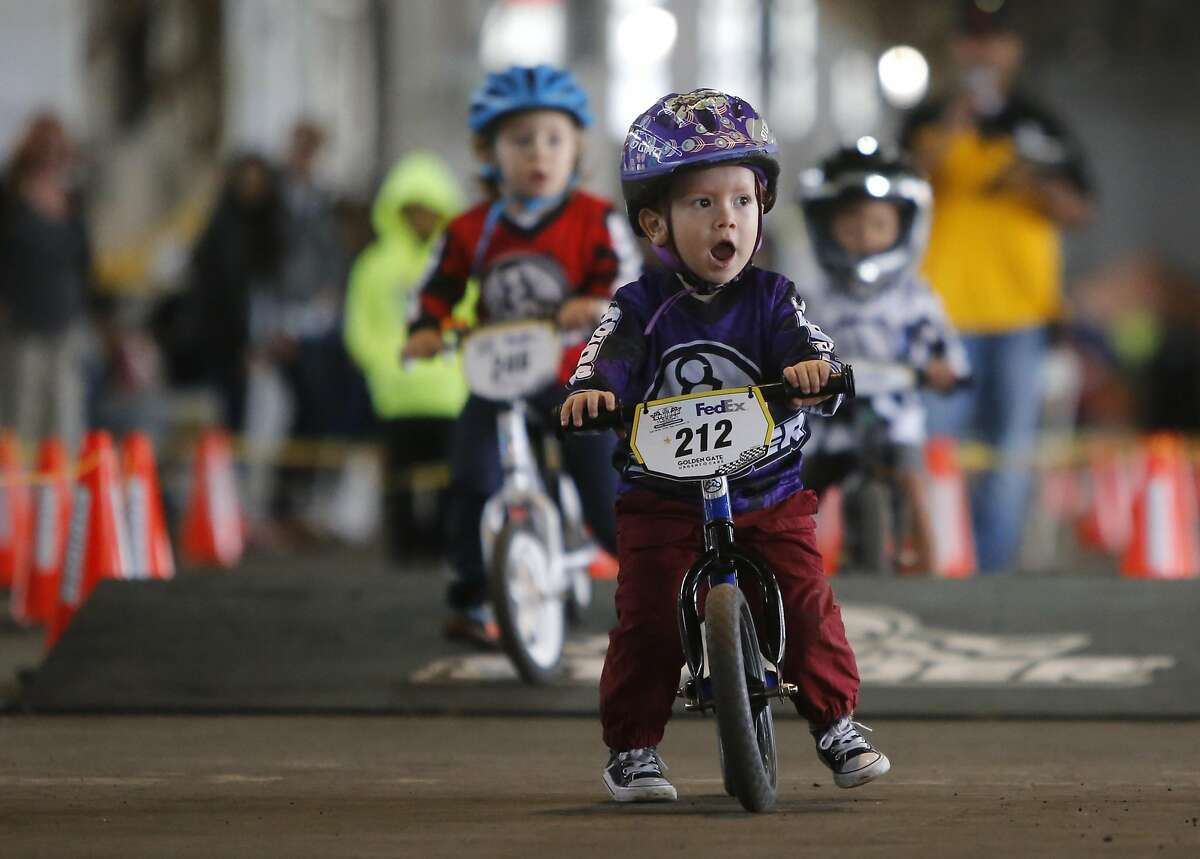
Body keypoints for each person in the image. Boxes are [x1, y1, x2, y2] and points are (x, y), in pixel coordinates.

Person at [560, 89, 889, 802]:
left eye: (741, 200)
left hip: (766, 491)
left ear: (762, 212)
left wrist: (815, 374)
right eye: (701, 204)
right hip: (662, 498)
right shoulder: (640, 305)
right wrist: (594, 391)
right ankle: (634, 749)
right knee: (646, 618)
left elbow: (811, 346)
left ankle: (836, 723)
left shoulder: (773, 297)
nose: (726, 218)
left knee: (805, 601)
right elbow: (605, 356)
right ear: (656, 222)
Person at [403, 65, 641, 646]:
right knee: (470, 478)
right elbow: (436, 286)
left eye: (554, 139)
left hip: (574, 382)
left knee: (605, 489)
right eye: (520, 140)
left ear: (576, 147)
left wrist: (593, 303)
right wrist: (426, 328)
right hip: (497, 381)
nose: (539, 153)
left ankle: (651, 589)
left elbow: (626, 280)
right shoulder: (470, 229)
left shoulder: (594, 218)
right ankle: (469, 594)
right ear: (488, 151)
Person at [901, 0, 1093, 571]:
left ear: (1015, 48)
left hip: (1023, 318)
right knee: (937, 453)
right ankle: (935, 568)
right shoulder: (928, 119)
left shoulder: (1042, 123)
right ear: (956, 49)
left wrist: (1030, 178)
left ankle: (992, 580)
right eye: (972, 39)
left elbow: (1080, 208)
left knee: (1010, 461)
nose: (984, 51)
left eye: (996, 39)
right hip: (940, 317)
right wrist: (951, 129)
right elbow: (899, 192)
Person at [797, 142, 970, 572]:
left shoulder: (915, 296)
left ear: (905, 226)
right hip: (829, 416)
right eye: (850, 224)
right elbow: (792, 341)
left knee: (912, 478)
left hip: (895, 412)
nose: (864, 235)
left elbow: (940, 342)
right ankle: (783, 559)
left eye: (878, 224)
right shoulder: (815, 296)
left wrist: (946, 369)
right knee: (797, 489)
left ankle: (927, 561)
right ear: (824, 226)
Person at [344, 151, 469, 560]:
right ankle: (403, 549)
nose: (421, 219)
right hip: (394, 396)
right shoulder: (373, 267)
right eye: (413, 211)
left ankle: (443, 546)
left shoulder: (457, 265)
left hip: (447, 395)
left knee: (449, 480)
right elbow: (359, 326)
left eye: (428, 211)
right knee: (397, 480)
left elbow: (470, 320)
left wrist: (450, 356)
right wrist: (384, 362)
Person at [0, 113, 92, 452]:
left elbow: (84, 260)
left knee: (66, 416)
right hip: (21, 324)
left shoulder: (72, 200)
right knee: (22, 415)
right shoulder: (10, 197)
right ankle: (16, 498)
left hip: (65, 321)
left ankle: (59, 496)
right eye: (46, 150)